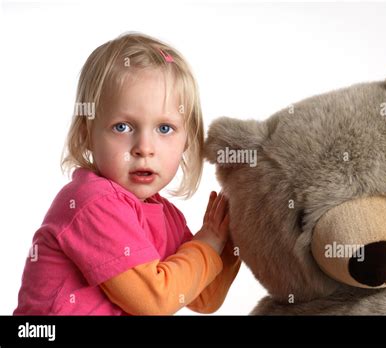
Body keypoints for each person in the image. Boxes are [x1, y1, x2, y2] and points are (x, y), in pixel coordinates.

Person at [14, 32, 241, 315]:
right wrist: (208, 243)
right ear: (87, 134)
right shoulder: (93, 201)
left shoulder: (165, 215)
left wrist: (235, 236)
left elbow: (204, 296)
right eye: (122, 127)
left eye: (164, 128)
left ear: (187, 140)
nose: (144, 148)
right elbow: (155, 300)